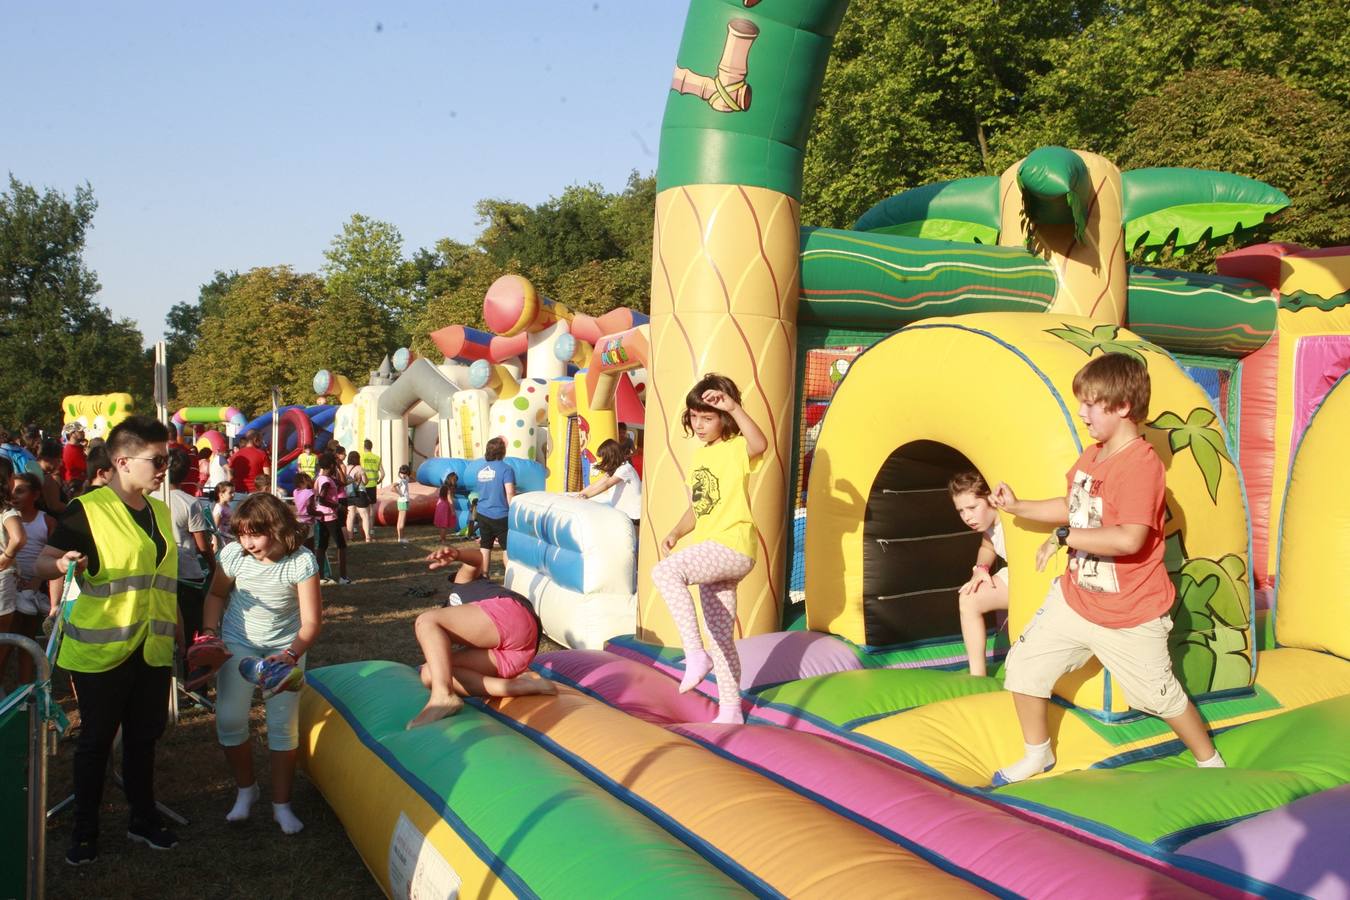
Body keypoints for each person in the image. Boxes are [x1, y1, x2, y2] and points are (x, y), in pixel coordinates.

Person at [989, 353, 1224, 785]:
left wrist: (1064, 537)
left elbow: (1128, 538)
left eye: (1091, 404)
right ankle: (1037, 754)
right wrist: (1018, 505)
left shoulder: (1141, 466)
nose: (1082, 413)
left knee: (1159, 696)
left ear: (1121, 407)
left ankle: (1210, 761)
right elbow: (1072, 506)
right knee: (1023, 667)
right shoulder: (1093, 455)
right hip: (1076, 600)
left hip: (1130, 614)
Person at [36, 415, 181, 864]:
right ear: (121, 461)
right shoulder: (89, 509)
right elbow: (41, 562)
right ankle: (84, 829)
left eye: (167, 459)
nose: (163, 468)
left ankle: (142, 818)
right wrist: (61, 567)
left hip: (152, 649)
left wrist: (180, 636)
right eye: (156, 460)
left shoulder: (158, 510)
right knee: (96, 742)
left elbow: (161, 580)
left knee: (143, 738)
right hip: (100, 651)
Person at [201, 493, 322, 834]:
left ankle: (281, 804)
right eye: (241, 534)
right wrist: (211, 633)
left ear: (277, 527)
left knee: (283, 727)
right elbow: (216, 595)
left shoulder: (301, 561)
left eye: (255, 534)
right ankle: (246, 791)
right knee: (229, 718)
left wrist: (290, 655)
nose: (247, 542)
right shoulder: (233, 556)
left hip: (286, 649)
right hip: (239, 644)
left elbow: (312, 622)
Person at [652, 374, 766, 725]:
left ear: (723, 418)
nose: (699, 425)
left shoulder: (736, 448)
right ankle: (731, 710)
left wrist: (733, 406)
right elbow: (698, 508)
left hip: (733, 544)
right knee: (721, 635)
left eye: (708, 417)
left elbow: (760, 444)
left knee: (666, 571)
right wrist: (676, 531)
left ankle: (694, 653)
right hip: (714, 549)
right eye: (694, 417)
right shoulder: (700, 457)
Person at [406, 555, 556, 728]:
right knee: (429, 673)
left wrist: (457, 553)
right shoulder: (456, 623)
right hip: (516, 655)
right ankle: (519, 686)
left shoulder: (463, 583)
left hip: (511, 616)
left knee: (426, 621)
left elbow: (476, 558)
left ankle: (442, 695)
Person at [949, 471, 1011, 678]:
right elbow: (987, 546)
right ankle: (978, 675)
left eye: (972, 508)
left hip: (1036, 579)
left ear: (991, 499)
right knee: (968, 598)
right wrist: (981, 569)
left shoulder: (1010, 519)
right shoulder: (990, 527)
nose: (967, 517)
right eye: (961, 511)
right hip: (1015, 577)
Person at [10, 471, 60, 682]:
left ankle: (24, 689)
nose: (14, 495)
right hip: (10, 585)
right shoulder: (7, 519)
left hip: (33, 589)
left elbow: (53, 555)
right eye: (11, 491)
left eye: (20, 490)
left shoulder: (46, 521)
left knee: (27, 641)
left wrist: (36, 582)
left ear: (36, 494)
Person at [168, 449, 214, 647]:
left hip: (161, 573)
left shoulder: (147, 499)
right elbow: (202, 544)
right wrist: (214, 567)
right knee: (191, 630)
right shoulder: (189, 503)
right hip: (187, 574)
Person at [572, 438, 642, 533]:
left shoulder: (625, 469)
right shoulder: (615, 470)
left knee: (632, 545)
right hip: (625, 516)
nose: (603, 461)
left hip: (634, 517)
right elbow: (596, 485)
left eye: (604, 458)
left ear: (610, 456)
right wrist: (578, 495)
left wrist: (586, 496)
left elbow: (606, 485)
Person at [473, 439, 515, 577]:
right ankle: (509, 577)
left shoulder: (480, 470)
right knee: (507, 548)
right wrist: (514, 511)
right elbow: (509, 492)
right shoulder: (506, 469)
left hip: (483, 512)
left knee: (485, 546)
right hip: (501, 514)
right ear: (503, 451)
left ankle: (484, 575)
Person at [0, 458, 23, 678]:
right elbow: (18, 538)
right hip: (2, 580)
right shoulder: (7, 511)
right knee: (4, 636)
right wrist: (6, 558)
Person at [313, 452, 350, 585]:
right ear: (330, 465)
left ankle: (320, 577)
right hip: (329, 516)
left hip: (321, 516)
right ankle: (343, 577)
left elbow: (341, 483)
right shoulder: (326, 482)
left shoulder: (320, 478)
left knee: (322, 546)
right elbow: (322, 499)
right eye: (334, 465)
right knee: (341, 545)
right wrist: (338, 506)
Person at [344, 450, 373, 543]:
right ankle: (367, 537)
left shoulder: (345, 468)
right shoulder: (360, 468)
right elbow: (365, 482)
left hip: (349, 494)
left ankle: (350, 537)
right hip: (360, 493)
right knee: (364, 516)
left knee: (350, 516)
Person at [37, 437, 69, 514]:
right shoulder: (47, 479)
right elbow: (55, 506)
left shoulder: (33, 471)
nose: (60, 464)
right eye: (58, 460)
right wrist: (72, 507)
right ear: (46, 458)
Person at [434, 473, 458, 543]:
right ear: (452, 480)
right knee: (444, 525)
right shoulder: (448, 489)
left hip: (440, 505)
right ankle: (443, 540)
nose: (456, 482)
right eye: (455, 480)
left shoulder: (443, 486)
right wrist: (453, 510)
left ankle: (442, 538)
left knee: (441, 524)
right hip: (445, 506)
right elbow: (450, 500)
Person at [63, 427, 89, 493]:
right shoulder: (70, 450)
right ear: (72, 434)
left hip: (80, 483)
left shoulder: (77, 448)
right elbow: (86, 466)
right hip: (76, 486)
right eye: (80, 431)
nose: (83, 433)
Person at [212, 483, 236, 549]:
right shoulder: (219, 508)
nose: (233, 495)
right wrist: (216, 544)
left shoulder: (227, 506)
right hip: (222, 540)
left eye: (234, 492)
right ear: (221, 494)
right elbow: (215, 528)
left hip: (228, 538)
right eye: (230, 493)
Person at [395, 464, 412, 543]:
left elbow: (410, 478)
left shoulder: (405, 478)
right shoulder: (400, 479)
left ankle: (400, 537)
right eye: (403, 474)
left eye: (405, 474)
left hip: (403, 500)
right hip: (403, 501)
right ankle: (401, 538)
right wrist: (400, 494)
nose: (404, 475)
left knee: (400, 520)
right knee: (401, 520)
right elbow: (393, 487)